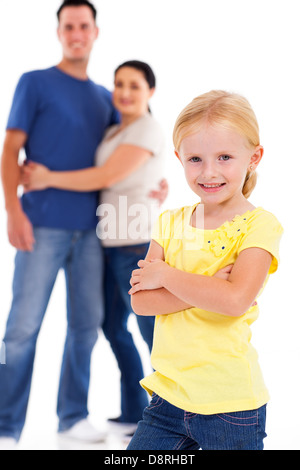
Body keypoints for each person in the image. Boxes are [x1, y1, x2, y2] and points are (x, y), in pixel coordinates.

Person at [0, 1, 167, 449]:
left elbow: (122, 162)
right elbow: (10, 148)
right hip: (42, 226)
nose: (77, 33)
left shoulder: (104, 99)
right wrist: (13, 211)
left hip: (95, 234)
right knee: (22, 327)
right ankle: (6, 426)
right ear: (60, 31)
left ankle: (71, 416)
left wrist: (160, 183)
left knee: (84, 325)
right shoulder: (34, 82)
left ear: (95, 32)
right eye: (68, 25)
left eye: (84, 25)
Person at [127, 90, 283, 451]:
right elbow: (141, 304)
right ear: (180, 158)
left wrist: (166, 276)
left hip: (229, 405)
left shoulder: (259, 226)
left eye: (225, 157)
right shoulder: (169, 222)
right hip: (168, 396)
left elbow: (234, 300)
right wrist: (207, 287)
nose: (209, 172)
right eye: (195, 158)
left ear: (254, 157)